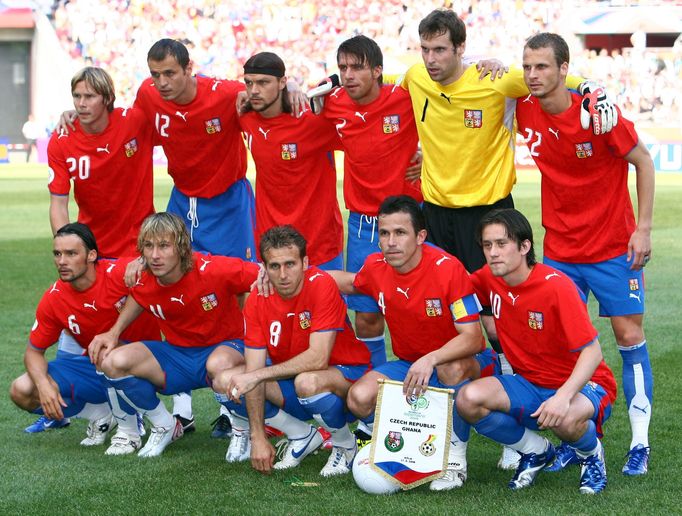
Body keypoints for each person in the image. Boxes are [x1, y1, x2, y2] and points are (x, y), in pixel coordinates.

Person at [516, 33, 655, 476]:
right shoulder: (523, 107)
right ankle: (575, 433)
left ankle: (640, 443)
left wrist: (644, 229)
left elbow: (644, 160)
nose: (533, 75)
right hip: (559, 249)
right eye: (528, 67)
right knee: (561, 345)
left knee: (629, 339)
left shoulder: (599, 114)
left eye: (542, 67)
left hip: (614, 246)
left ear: (563, 69)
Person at [328, 195, 496, 491]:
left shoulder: (448, 269)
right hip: (409, 363)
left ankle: (455, 460)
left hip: (461, 361)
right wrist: (300, 274)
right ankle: (403, 438)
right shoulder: (376, 265)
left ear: (420, 236)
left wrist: (431, 358)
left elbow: (473, 338)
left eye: (400, 233)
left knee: (450, 370)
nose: (390, 242)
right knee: (359, 398)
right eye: (384, 233)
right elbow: (351, 282)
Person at [458, 208, 617, 494]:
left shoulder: (557, 287)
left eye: (502, 243)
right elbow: (454, 287)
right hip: (529, 382)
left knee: (566, 419)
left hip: (585, 385)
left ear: (524, 246)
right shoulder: (488, 278)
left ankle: (591, 456)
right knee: (469, 400)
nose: (493, 252)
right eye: (487, 245)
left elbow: (592, 353)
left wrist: (562, 397)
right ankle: (536, 450)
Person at [88, 212, 260, 458]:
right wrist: (113, 333)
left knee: (218, 363)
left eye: (164, 246)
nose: (155, 255)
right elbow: (138, 296)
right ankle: (165, 424)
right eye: (148, 246)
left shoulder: (214, 269)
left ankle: (242, 429)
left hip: (226, 348)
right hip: (177, 354)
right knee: (112, 361)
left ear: (181, 247)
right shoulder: (142, 275)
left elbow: (266, 275)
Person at [217, 225, 371, 476]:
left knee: (306, 381)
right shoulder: (258, 298)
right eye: (274, 266)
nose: (283, 274)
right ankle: (301, 434)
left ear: (305, 262)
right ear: (264, 268)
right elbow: (253, 368)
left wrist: (255, 376)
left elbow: (318, 358)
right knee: (227, 382)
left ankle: (346, 445)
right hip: (293, 379)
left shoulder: (321, 285)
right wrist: (257, 436)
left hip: (347, 377)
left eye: (290, 264)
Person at [318, 35, 422, 372]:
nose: (348, 75)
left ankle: (433, 391)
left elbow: (446, 126)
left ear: (378, 71)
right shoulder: (333, 103)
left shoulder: (406, 97)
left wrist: (428, 157)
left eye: (357, 67)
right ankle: (375, 389)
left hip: (410, 221)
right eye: (342, 68)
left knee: (422, 310)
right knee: (366, 317)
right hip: (362, 225)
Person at [9, 223, 160, 455]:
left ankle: (131, 428)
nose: (62, 261)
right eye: (57, 254)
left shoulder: (118, 273)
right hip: (98, 365)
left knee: (104, 350)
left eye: (71, 253)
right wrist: (43, 385)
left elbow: (169, 260)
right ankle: (100, 414)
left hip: (147, 365)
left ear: (92, 255)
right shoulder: (54, 297)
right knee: (22, 389)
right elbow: (33, 351)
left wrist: (143, 261)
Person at [238, 52, 344, 269]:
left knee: (326, 303)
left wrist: (416, 152)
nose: (254, 90)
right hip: (271, 245)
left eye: (263, 82)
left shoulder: (314, 120)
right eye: (249, 83)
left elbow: (362, 140)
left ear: (282, 82)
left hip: (319, 245)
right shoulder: (244, 116)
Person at [48, 66, 155, 259]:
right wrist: (67, 249)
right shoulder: (61, 140)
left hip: (141, 246)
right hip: (93, 248)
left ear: (107, 98)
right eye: (77, 96)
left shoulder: (135, 122)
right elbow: (58, 203)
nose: (81, 104)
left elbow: (178, 125)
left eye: (89, 97)